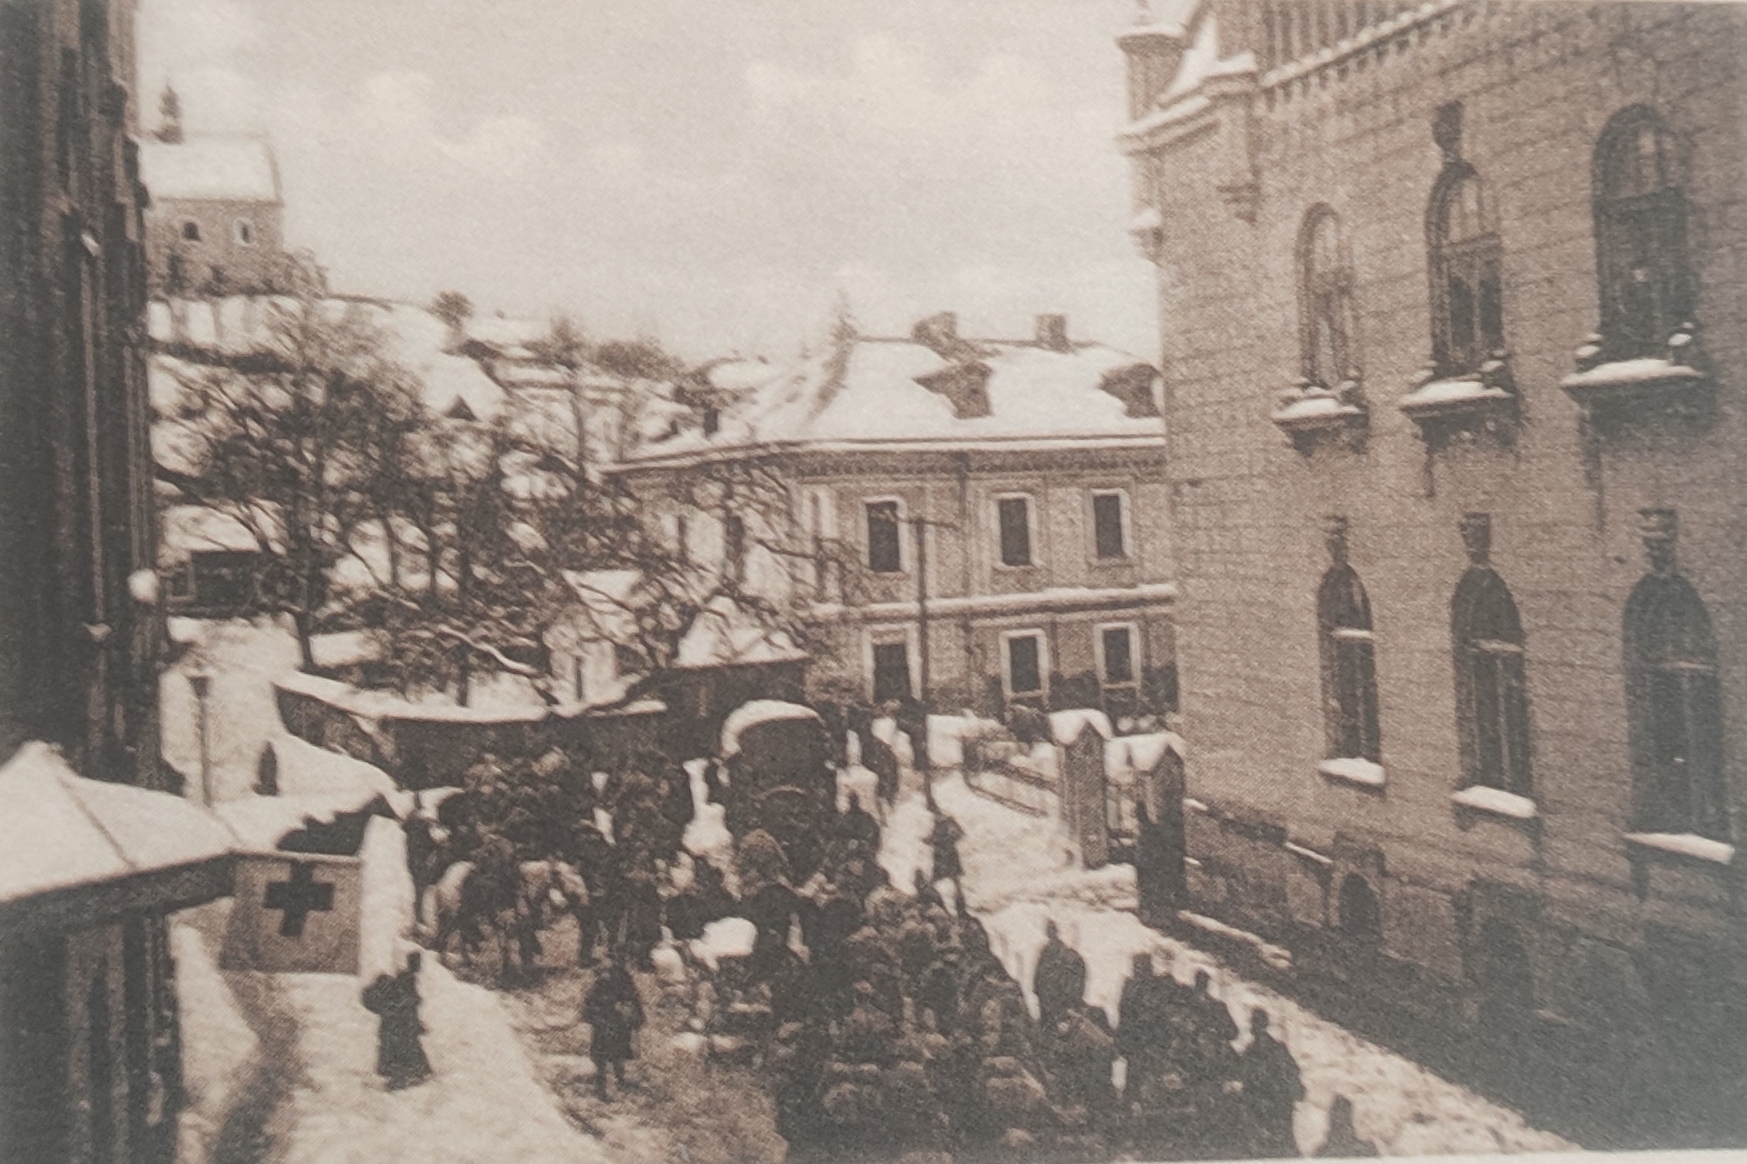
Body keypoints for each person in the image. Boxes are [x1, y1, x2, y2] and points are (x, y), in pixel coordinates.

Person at [1238, 1008, 1304, 1158]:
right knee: (1268, 1141)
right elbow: (1245, 1077)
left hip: (1276, 1100)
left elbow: (1292, 1071)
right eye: (1254, 1023)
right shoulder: (1252, 1051)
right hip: (1264, 1102)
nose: (1255, 1027)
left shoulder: (1274, 1049)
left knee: (1280, 1140)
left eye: (1257, 1023)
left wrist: (1293, 1092)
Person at [362, 952, 433, 1090]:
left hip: (395, 1024)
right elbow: (405, 1004)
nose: (419, 966)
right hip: (398, 1025)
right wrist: (414, 1010)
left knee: (400, 1051)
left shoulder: (405, 977)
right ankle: (400, 1080)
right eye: (417, 963)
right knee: (402, 1051)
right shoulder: (406, 978)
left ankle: (404, 1077)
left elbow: (406, 1004)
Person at [583, 958, 645, 1099]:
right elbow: (589, 1007)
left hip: (614, 1024)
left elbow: (633, 1001)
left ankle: (614, 1081)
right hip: (607, 1024)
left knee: (614, 1055)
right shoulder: (603, 986)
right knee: (607, 1056)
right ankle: (605, 1084)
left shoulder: (618, 982)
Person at [1032, 920, 1087, 1033]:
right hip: (1048, 993)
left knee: (1052, 1023)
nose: (1050, 933)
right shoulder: (1047, 951)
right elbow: (1039, 972)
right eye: (1049, 931)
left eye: (1051, 930)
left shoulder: (1060, 951)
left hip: (1053, 994)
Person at [928, 812, 965, 908]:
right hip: (944, 855)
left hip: (944, 856)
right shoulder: (941, 826)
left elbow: (960, 834)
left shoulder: (945, 823)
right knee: (953, 879)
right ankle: (960, 901)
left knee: (948, 878)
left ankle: (959, 902)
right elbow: (960, 835)